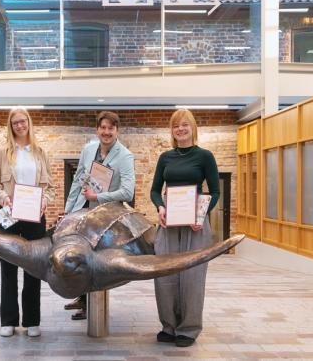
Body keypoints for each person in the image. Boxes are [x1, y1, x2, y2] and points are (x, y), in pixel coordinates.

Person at [149, 108, 220, 347]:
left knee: (192, 276)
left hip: (195, 224)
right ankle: (168, 325)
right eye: (175, 125)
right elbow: (155, 190)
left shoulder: (205, 156)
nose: (180, 129)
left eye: (184, 125)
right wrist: (160, 208)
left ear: (193, 128)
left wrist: (201, 215)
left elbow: (216, 191)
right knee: (165, 274)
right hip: (169, 222)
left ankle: (188, 329)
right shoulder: (165, 158)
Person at [0, 107, 56, 338]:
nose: (19, 125)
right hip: (8, 217)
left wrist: (45, 200)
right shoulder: (2, 153)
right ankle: (8, 321)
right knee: (8, 270)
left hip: (35, 218)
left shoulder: (40, 152)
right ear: (10, 125)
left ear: (29, 122)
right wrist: (4, 197)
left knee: (33, 270)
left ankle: (32, 321)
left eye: (22, 121)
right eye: (15, 122)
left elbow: (51, 188)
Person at [62, 111, 135, 319]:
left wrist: (99, 195)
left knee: (94, 259)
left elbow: (128, 192)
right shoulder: (88, 149)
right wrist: (68, 210)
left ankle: (90, 305)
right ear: (97, 130)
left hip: (105, 216)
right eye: (102, 128)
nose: (106, 132)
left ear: (117, 130)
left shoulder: (125, 156)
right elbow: (77, 180)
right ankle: (83, 298)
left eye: (110, 128)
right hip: (82, 209)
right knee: (77, 253)